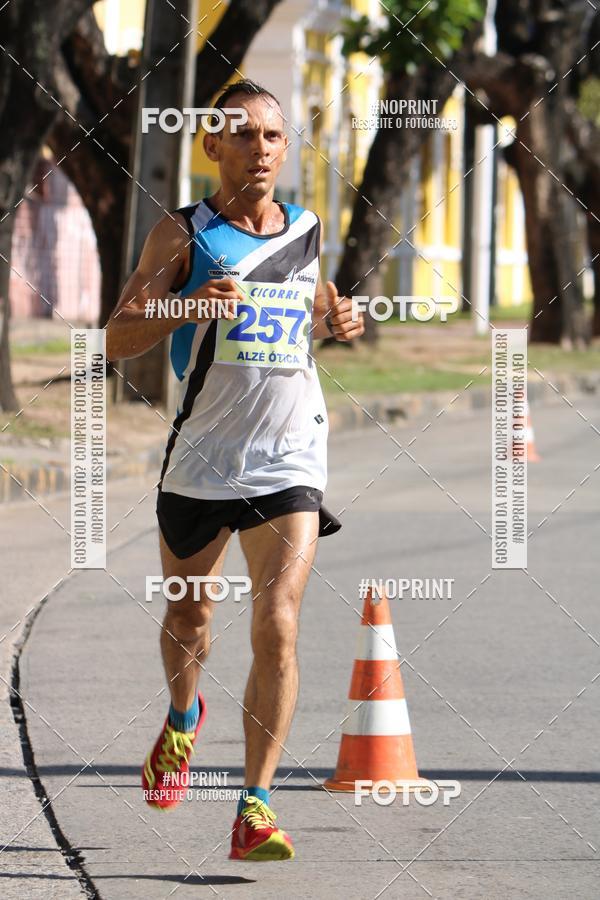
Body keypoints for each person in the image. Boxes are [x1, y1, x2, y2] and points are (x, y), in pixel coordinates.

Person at [106, 79, 364, 861]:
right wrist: (187, 306)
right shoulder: (181, 233)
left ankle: (255, 807)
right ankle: (182, 720)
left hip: (290, 456)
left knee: (278, 620)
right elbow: (117, 335)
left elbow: (300, 313)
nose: (260, 149)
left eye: (273, 136)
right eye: (243, 135)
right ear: (212, 145)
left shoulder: (308, 228)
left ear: (286, 149)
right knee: (190, 618)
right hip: (201, 458)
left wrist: (336, 319)